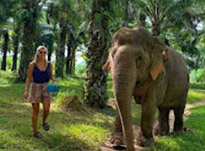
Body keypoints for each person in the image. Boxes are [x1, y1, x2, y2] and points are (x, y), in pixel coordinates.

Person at [24, 46, 56, 138]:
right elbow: (29, 78)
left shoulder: (50, 64)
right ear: (37, 53)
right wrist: (26, 90)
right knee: (36, 111)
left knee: (47, 108)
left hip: (46, 87)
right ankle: (35, 132)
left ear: (47, 54)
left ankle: (44, 122)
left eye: (44, 52)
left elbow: (50, 75)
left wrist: (52, 78)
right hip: (35, 87)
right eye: (40, 52)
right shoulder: (32, 65)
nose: (42, 54)